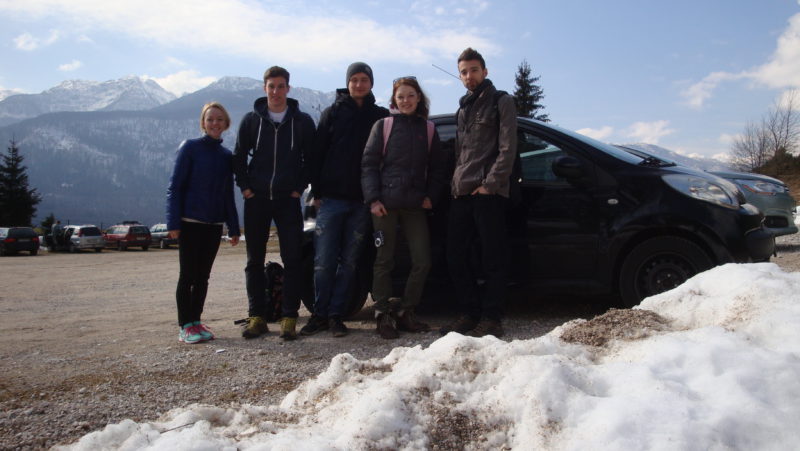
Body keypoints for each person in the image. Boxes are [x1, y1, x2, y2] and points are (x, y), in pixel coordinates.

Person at [302, 62, 390, 337]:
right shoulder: (332, 113)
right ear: (347, 83)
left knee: (350, 263)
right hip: (331, 200)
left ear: (371, 83)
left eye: (364, 79)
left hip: (363, 203)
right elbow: (316, 154)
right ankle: (319, 315)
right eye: (354, 79)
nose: (359, 84)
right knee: (323, 261)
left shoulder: (380, 116)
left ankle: (337, 315)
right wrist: (315, 192)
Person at [232, 66, 316, 341]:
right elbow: (239, 155)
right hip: (256, 200)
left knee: (292, 259)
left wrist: (298, 188)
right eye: (272, 87)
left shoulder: (302, 121)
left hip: (286, 200)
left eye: (281, 86)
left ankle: (288, 317)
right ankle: (257, 317)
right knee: (253, 260)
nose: (276, 92)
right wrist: (245, 188)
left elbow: (311, 159)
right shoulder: (251, 120)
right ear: (264, 88)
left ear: (288, 88)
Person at [440, 47, 517, 338]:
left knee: (493, 258)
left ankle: (492, 317)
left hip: (488, 194)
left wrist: (489, 185)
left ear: (484, 71)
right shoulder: (463, 109)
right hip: (461, 194)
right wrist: (454, 185)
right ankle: (469, 313)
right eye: (463, 72)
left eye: (473, 70)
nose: (469, 76)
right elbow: (461, 155)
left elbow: (508, 148)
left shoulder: (501, 101)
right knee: (456, 256)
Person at [361, 77, 446, 339]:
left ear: (418, 97)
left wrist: (430, 195)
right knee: (384, 260)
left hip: (414, 206)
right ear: (394, 100)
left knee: (422, 260)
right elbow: (369, 164)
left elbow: (438, 168)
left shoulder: (428, 129)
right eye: (401, 97)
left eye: (410, 95)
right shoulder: (384, 125)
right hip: (384, 206)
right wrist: (373, 199)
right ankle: (383, 314)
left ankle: (406, 311)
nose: (406, 100)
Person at [166, 101, 241, 344]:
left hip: (213, 224)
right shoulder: (190, 148)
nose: (215, 123)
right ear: (203, 123)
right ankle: (184, 325)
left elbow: (228, 194)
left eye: (219, 119)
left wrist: (233, 225)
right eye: (210, 119)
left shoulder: (226, 156)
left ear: (226, 124)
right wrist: (173, 222)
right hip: (189, 222)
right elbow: (175, 186)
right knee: (187, 275)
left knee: (203, 276)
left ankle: (196, 321)